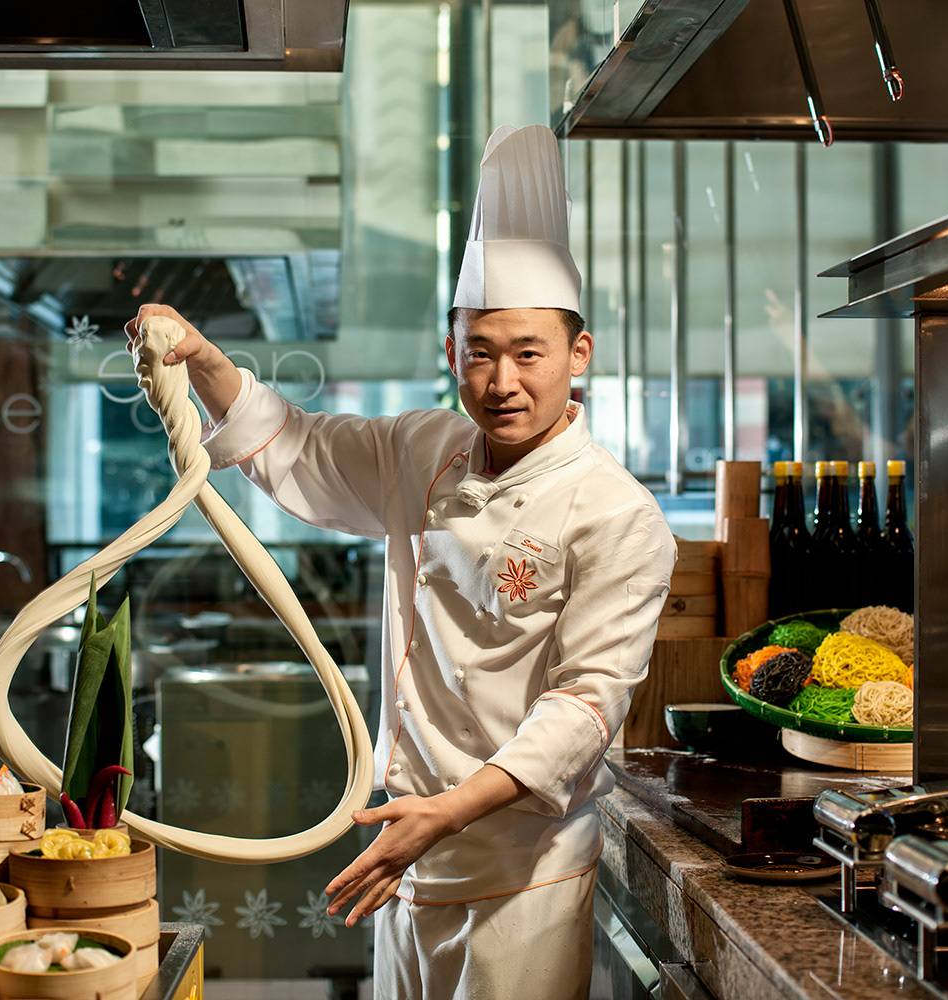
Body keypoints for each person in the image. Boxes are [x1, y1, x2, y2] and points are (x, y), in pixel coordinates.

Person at [126, 124, 675, 999]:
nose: (502, 382)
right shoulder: (428, 444)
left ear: (580, 356)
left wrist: (446, 816)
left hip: (518, 869)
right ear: (453, 350)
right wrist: (201, 360)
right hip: (405, 847)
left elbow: (586, 703)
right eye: (480, 352)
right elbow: (298, 446)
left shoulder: (619, 514)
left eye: (529, 354)